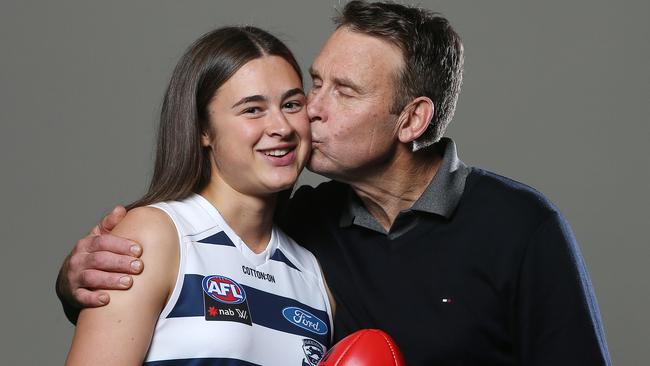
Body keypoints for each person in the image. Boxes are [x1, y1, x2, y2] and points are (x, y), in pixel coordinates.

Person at [57, 1, 611, 365]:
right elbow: (179, 273)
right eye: (313, 84)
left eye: (341, 92)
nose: (306, 114)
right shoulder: (304, 227)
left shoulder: (518, 225)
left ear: (412, 120)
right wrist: (77, 277)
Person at [64, 26, 334, 366]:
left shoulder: (312, 275)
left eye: (292, 104)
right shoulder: (155, 235)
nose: (281, 127)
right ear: (203, 129)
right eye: (253, 109)